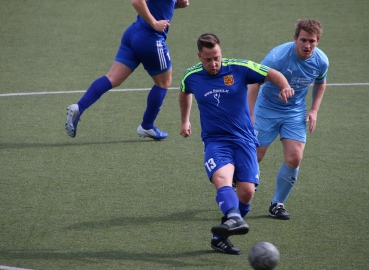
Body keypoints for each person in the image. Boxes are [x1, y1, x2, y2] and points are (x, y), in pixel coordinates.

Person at [179, 33, 294, 255]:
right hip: (216, 141)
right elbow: (184, 92)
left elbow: (271, 73)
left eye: (217, 57)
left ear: (221, 52)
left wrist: (285, 85)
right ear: (199, 56)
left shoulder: (239, 68)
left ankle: (219, 237)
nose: (213, 64)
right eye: (208, 59)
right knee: (222, 178)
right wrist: (185, 120)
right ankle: (233, 217)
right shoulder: (191, 76)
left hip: (244, 140)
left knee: (247, 193)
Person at [65, 0, 189, 140]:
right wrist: (154, 23)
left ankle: (79, 107)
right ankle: (147, 126)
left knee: (112, 78)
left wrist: (176, 4)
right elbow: (137, 2)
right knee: (163, 83)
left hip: (134, 34)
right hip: (151, 40)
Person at [248, 19, 329, 220]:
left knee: (295, 157)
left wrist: (314, 110)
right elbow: (254, 82)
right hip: (266, 109)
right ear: (295, 38)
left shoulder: (321, 61)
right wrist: (249, 114)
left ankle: (277, 204)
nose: (307, 45)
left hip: (294, 112)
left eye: (312, 41)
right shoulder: (277, 58)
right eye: (303, 40)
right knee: (255, 155)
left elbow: (321, 82)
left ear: (318, 41)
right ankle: (242, 186)